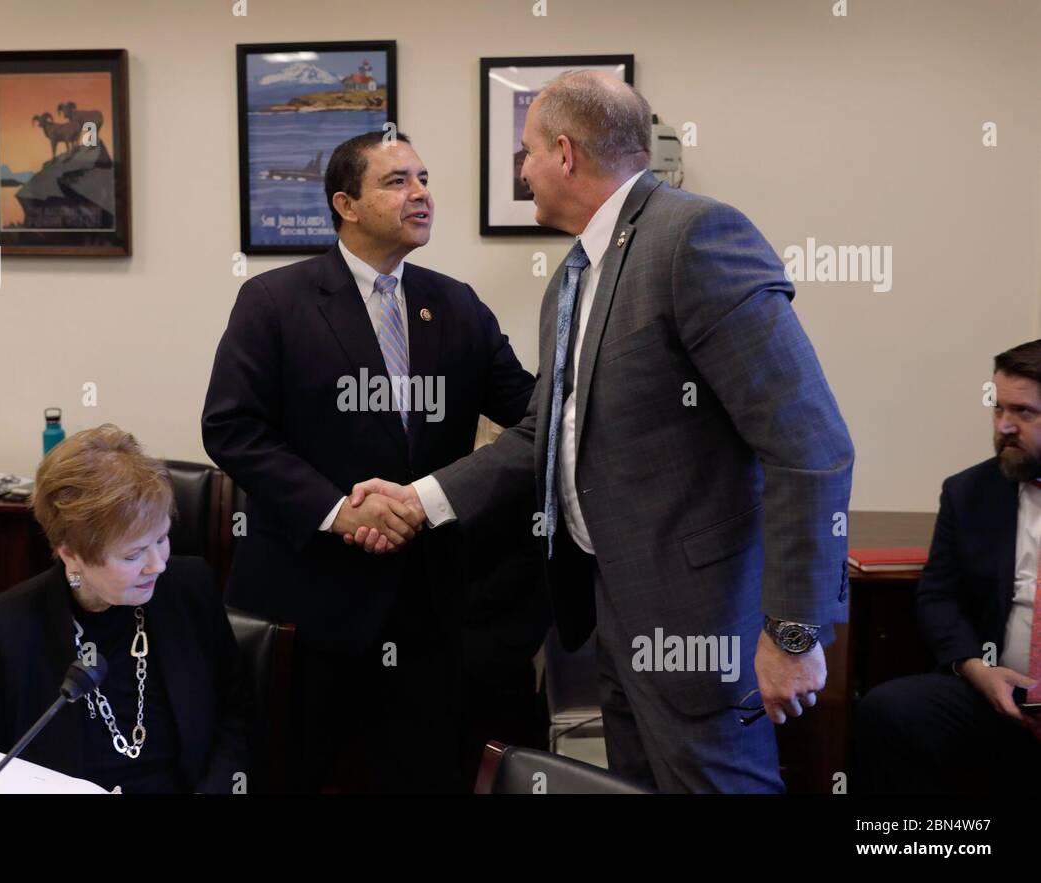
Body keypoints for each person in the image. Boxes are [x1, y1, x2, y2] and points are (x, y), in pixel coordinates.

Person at [347, 72, 854, 793]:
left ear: (563, 153)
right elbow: (539, 435)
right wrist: (416, 498)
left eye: (523, 156)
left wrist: (795, 631)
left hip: (701, 619)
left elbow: (812, 445)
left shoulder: (695, 237)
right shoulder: (575, 275)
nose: (520, 173)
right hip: (611, 609)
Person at [202, 131, 534, 792]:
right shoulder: (274, 302)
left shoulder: (457, 304)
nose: (421, 194)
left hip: (429, 607)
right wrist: (337, 510)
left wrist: (438, 494)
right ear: (345, 204)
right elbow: (231, 426)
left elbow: (533, 410)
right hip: (309, 601)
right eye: (398, 181)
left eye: (424, 177)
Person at [0, 424, 249, 793]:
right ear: (71, 555)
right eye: (133, 554)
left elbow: (236, 716)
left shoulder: (190, 590)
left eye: (162, 538)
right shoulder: (1, 630)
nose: (157, 564)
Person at [856, 341, 1041, 793]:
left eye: (1024, 412)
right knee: (892, 709)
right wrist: (977, 669)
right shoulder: (969, 492)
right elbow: (939, 594)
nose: (1004, 426)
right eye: (997, 409)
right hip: (1000, 694)